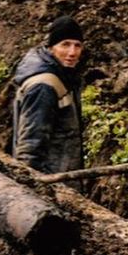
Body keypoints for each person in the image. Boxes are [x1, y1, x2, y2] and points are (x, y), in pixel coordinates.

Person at [11, 15, 85, 175]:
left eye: (77, 45)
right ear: (51, 48)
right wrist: (33, 185)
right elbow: (30, 145)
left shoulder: (64, 77)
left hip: (61, 178)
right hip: (52, 182)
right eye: (65, 45)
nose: (72, 52)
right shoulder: (44, 86)